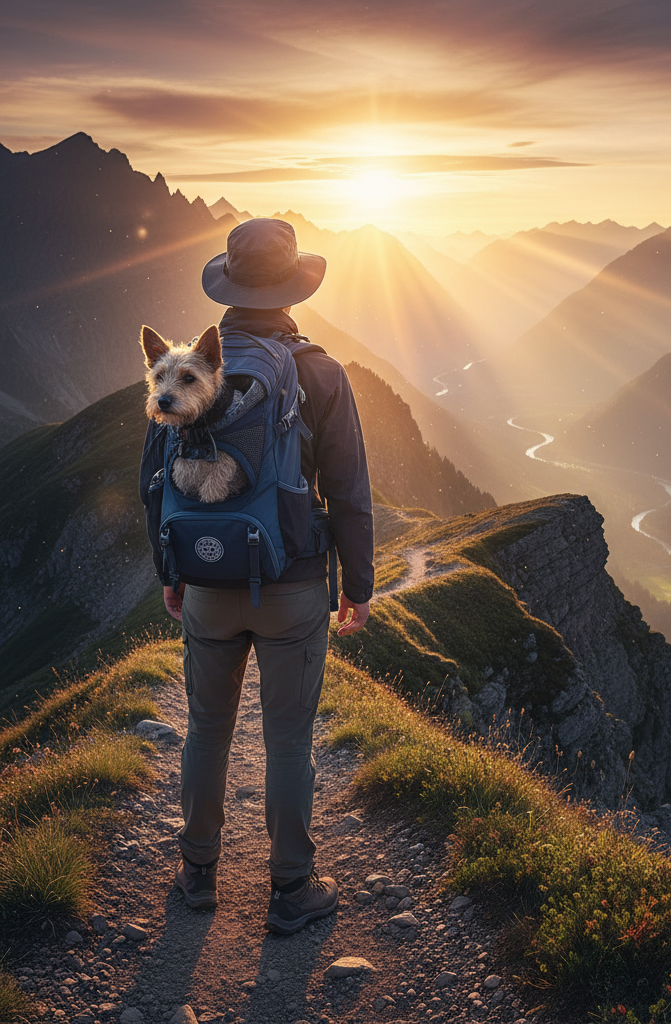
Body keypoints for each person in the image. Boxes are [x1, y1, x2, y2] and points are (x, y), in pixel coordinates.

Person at [139, 217, 374, 934]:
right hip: (292, 583)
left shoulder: (180, 374)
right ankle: (292, 889)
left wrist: (172, 571)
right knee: (287, 738)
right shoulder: (320, 372)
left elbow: (155, 482)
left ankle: (199, 873)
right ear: (295, 286)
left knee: (207, 729)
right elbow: (350, 487)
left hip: (207, 581)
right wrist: (357, 587)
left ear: (229, 286)